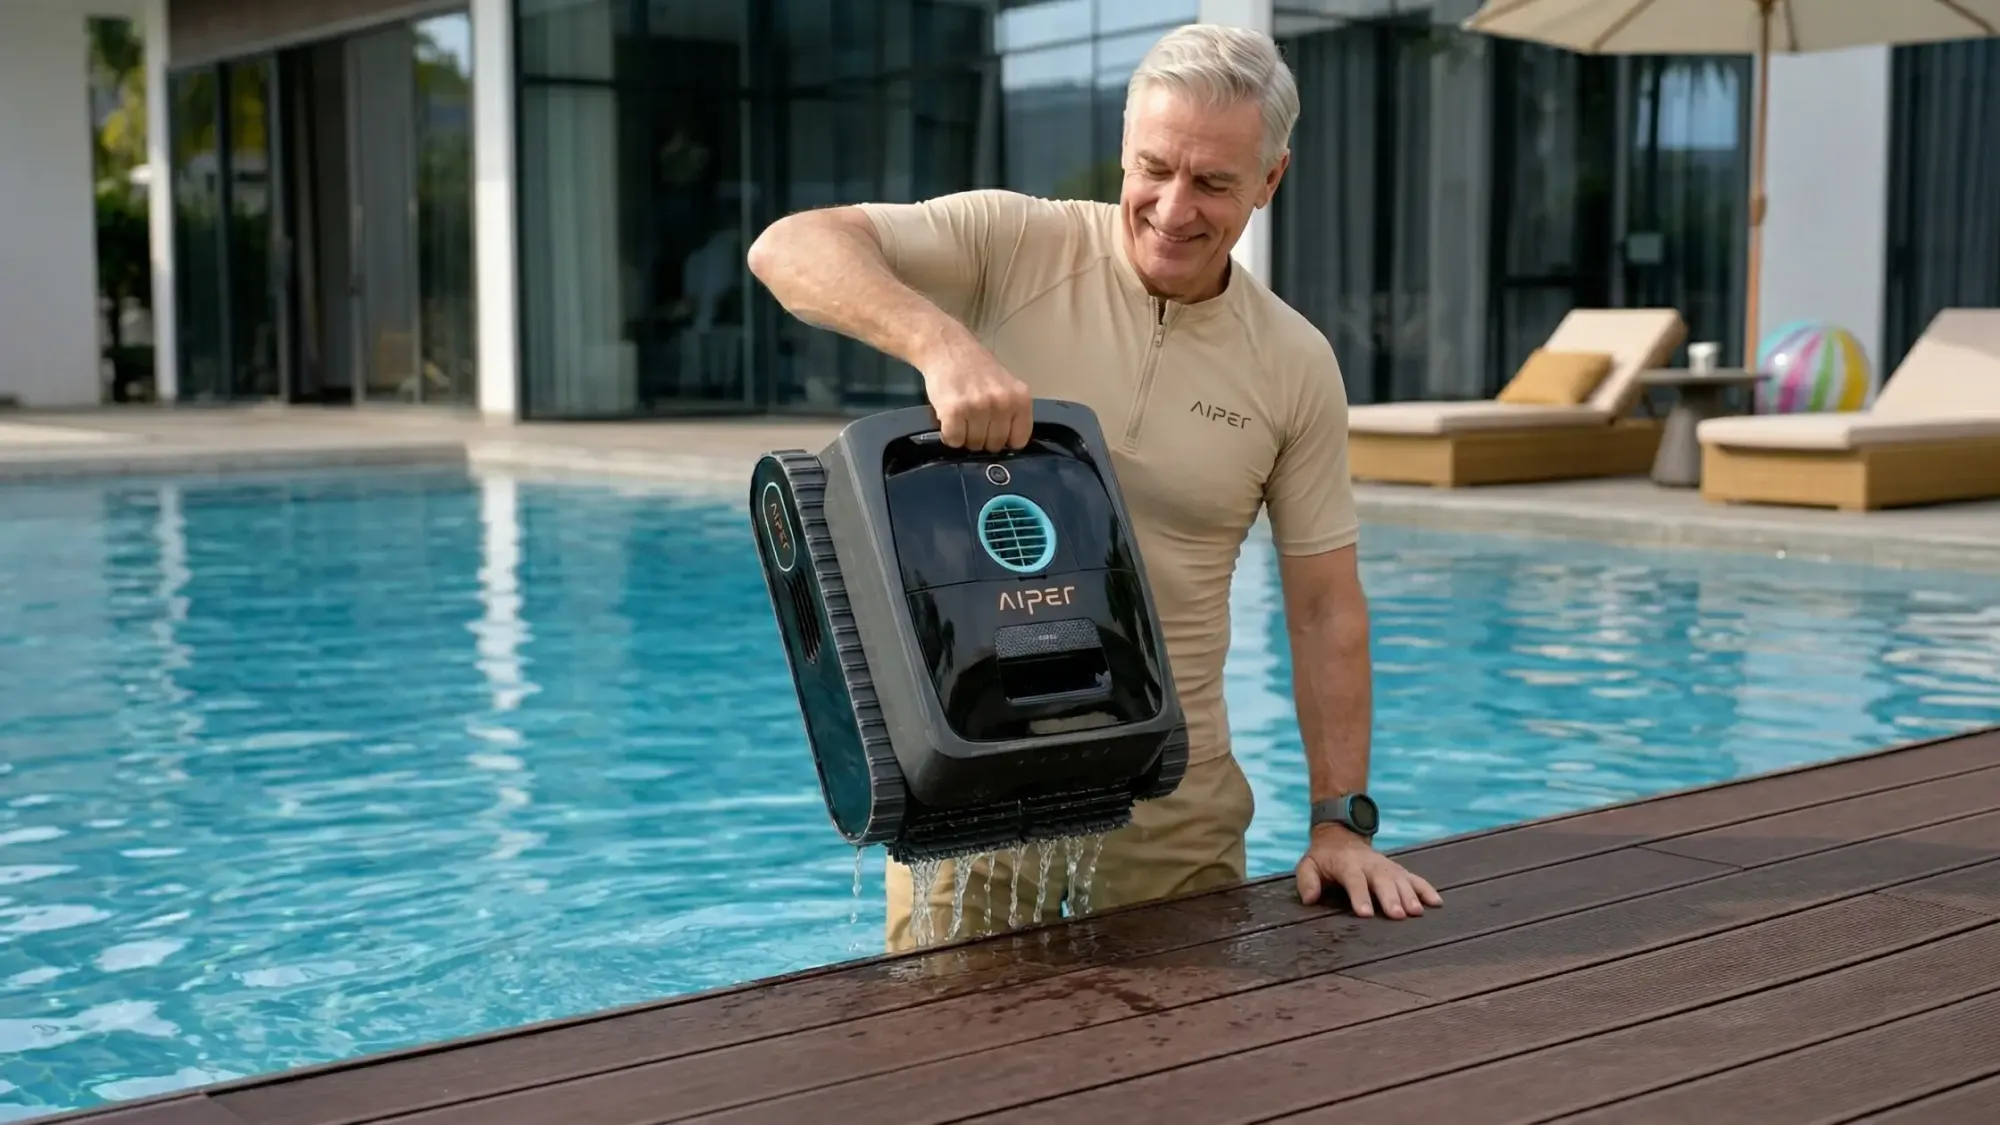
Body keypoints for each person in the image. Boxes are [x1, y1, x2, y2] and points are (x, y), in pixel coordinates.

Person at [746, 22, 1441, 952]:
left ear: (1271, 181)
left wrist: (1339, 821)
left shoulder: (1294, 362)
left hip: (1175, 816)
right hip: (972, 805)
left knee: (1177, 1094)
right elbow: (789, 249)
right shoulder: (1011, 245)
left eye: (1214, 182)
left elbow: (1324, 609)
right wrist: (943, 344)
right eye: (1153, 166)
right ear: (1124, 147)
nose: (1172, 207)